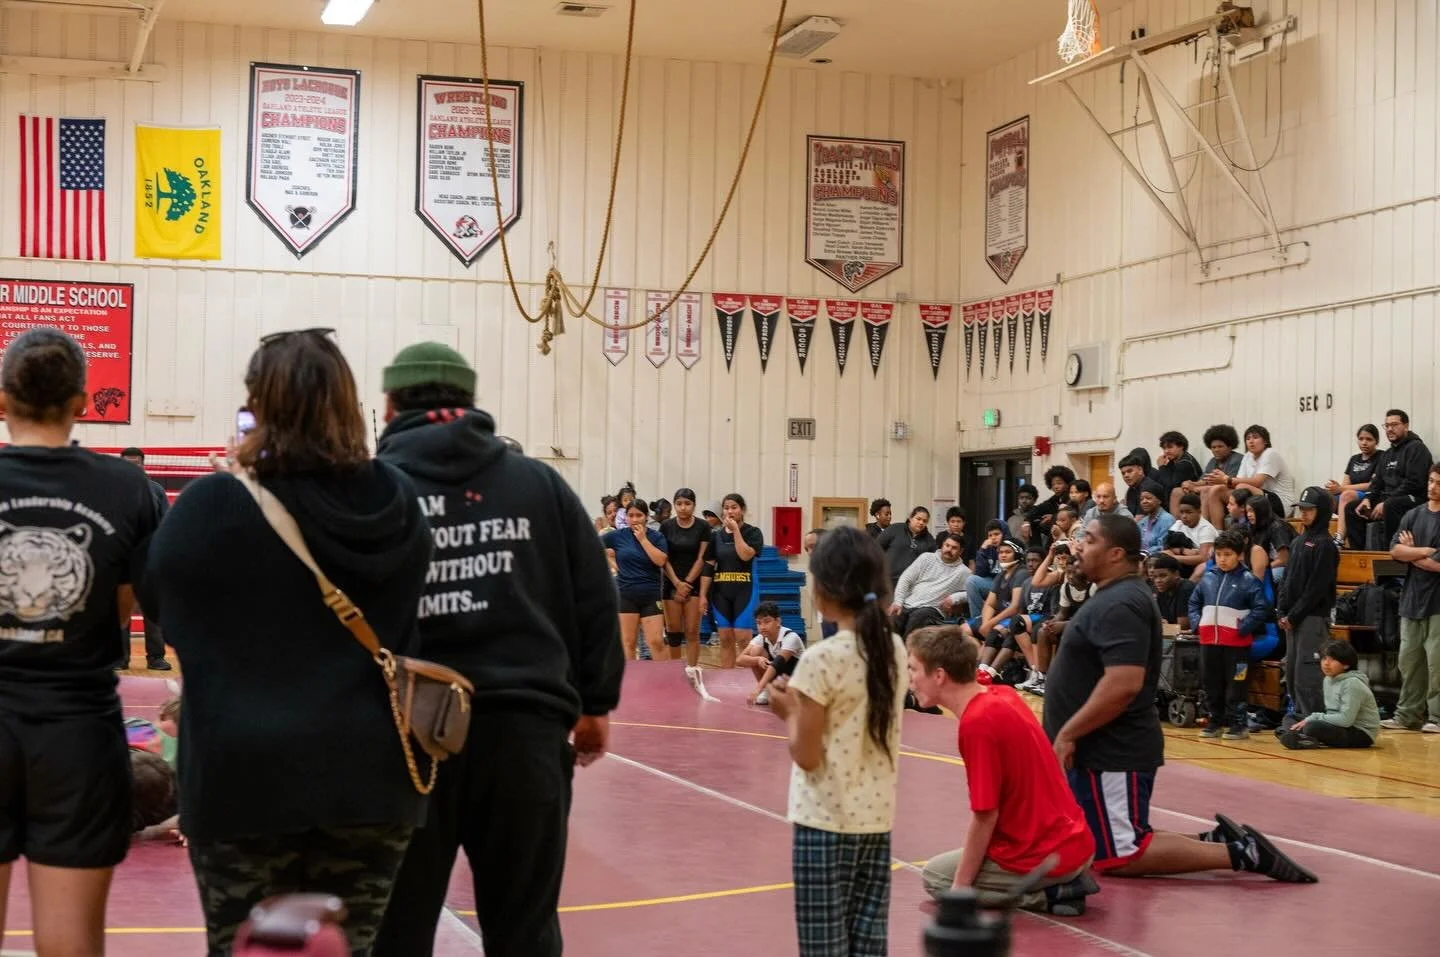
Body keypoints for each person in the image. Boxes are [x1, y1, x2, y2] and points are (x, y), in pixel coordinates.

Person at [140, 329, 434, 955]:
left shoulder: (217, 501)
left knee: (243, 946)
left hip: (243, 777)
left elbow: (167, 608)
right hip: (370, 776)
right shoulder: (398, 500)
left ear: (260, 405)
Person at [369, 342, 622, 957]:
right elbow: (594, 595)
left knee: (393, 932)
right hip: (524, 737)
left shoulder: (369, 490)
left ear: (388, 405)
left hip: (407, 739)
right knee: (524, 929)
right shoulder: (539, 484)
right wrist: (594, 703)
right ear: (472, 402)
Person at [0, 329, 163, 956]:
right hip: (77, 732)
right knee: (69, 945)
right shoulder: (129, 489)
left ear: (4, 398)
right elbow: (125, 611)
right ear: (84, 403)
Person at [1043, 515, 1314, 883]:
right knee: (1109, 841)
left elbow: (1123, 683)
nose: (1078, 547)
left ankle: (1242, 854)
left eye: (1088, 540)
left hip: (1110, 747)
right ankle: (1215, 840)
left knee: (1122, 854)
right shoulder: (1113, 595)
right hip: (1102, 747)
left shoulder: (1121, 603)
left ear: (1115, 553)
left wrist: (1069, 733)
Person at [768, 526, 907, 957]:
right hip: (876, 822)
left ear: (824, 589)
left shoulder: (821, 658)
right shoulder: (893, 649)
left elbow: (807, 756)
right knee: (868, 946)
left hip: (824, 823)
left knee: (824, 948)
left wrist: (788, 711)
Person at [908, 627, 1096, 916]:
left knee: (937, 877)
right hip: (1074, 840)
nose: (910, 680)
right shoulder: (1001, 694)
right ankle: (1053, 883)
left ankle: (1048, 895)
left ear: (939, 675)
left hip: (1046, 856)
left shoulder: (977, 724)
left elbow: (986, 815)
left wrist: (960, 888)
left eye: (913, 669)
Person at [1189, 530, 1272, 740]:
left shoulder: (1249, 580)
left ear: (1239, 555)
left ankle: (1238, 724)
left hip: (1238, 646)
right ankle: (1214, 722)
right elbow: (1193, 602)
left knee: (1237, 684)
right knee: (1211, 683)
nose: (1222, 559)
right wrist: (1197, 624)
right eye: (1219, 554)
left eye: (1227, 554)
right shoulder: (1208, 579)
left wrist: (1243, 628)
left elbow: (1261, 608)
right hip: (1209, 642)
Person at [1276, 487, 1339, 731]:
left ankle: (1313, 721)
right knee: (1291, 670)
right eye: (1301, 509)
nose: (1304, 514)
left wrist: (1294, 615)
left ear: (1321, 511)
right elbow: (1288, 579)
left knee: (1308, 672)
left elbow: (1316, 588)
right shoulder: (1299, 541)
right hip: (1292, 618)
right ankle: (1298, 717)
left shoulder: (1325, 545)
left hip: (1312, 617)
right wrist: (1282, 611)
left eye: (1309, 509)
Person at [1385, 463, 1440, 733]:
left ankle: (1437, 717)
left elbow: (1436, 565)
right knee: (1409, 660)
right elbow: (1395, 552)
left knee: (1436, 662)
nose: (1432, 487)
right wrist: (1424, 551)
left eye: (1438, 483)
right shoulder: (1413, 514)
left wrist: (1412, 552)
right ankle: (1408, 715)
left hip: (1437, 603)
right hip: (1411, 599)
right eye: (1430, 481)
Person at [118, 446, 173, 671]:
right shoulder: (111, 492)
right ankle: (119, 658)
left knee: (152, 610)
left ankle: (156, 657)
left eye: (136, 463)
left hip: (149, 559)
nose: (132, 467)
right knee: (120, 610)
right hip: (121, 558)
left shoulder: (156, 490)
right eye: (127, 463)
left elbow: (166, 524)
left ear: (143, 464)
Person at [700, 493, 764, 669]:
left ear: (742, 510)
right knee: (725, 639)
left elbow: (745, 555)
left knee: (743, 639)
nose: (730, 511)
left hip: (745, 589)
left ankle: (747, 680)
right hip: (720, 591)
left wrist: (736, 531)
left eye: (734, 507)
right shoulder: (716, 536)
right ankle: (727, 680)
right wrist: (703, 595)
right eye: (726, 508)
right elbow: (708, 567)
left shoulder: (753, 533)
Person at [1352, 410, 1433, 550]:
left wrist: (1386, 501)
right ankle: (1359, 554)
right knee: (1352, 507)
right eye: (1387, 425)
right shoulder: (1387, 454)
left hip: (1415, 498)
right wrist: (1368, 498)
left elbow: (1414, 483)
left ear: (1406, 426)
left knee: (1391, 505)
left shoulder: (1417, 448)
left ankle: (1391, 553)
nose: (1390, 429)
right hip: (1390, 499)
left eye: (1394, 424)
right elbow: (1377, 482)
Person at [1279, 641, 1380, 750]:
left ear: (1346, 664)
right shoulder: (1328, 680)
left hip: (1359, 733)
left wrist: (1314, 718)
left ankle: (1298, 736)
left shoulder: (1352, 683)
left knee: (1311, 726)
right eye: (1324, 659)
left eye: (1332, 660)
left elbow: (1346, 720)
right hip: (1339, 726)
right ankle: (1301, 738)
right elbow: (1331, 714)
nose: (1326, 663)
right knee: (1291, 716)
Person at [602, 499, 669, 661]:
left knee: (656, 642)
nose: (634, 519)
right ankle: (629, 682)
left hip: (650, 596)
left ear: (646, 517)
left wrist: (643, 540)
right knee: (628, 643)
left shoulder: (656, 536)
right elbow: (594, 544)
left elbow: (661, 561)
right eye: (630, 515)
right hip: (626, 595)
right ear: (626, 517)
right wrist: (614, 564)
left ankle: (664, 681)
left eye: (638, 515)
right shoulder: (618, 536)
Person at [661, 488, 711, 693]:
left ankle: (692, 671)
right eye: (679, 503)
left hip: (694, 584)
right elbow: (663, 558)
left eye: (687, 503)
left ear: (694, 505)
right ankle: (675, 673)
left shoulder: (703, 527)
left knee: (692, 631)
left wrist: (687, 583)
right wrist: (676, 583)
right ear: (674, 505)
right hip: (670, 582)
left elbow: (702, 558)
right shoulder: (666, 526)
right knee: (673, 631)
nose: (683, 507)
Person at [888, 534, 972, 635]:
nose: (949, 549)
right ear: (942, 546)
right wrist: (898, 601)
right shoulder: (926, 558)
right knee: (893, 618)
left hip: (932, 610)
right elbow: (906, 578)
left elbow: (972, 592)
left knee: (918, 617)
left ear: (961, 551)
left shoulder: (964, 572)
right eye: (947, 545)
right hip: (909, 603)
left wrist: (954, 598)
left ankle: (908, 650)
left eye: (954, 548)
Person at [740, 602, 806, 705]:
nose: (762, 627)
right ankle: (767, 689)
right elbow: (739, 660)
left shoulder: (791, 637)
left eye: (767, 622)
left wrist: (757, 689)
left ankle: (774, 689)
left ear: (778, 621)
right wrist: (757, 659)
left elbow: (777, 664)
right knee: (755, 652)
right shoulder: (761, 638)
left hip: (799, 679)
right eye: (759, 623)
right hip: (782, 677)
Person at [1328, 424, 1380, 548]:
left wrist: (1342, 489)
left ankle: (1339, 538)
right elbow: (1345, 484)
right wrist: (1334, 488)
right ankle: (1320, 538)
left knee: (1346, 495)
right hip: (1350, 494)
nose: (1364, 443)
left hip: (1368, 496)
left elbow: (1372, 485)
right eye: (1361, 439)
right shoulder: (1354, 459)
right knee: (1324, 498)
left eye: (1369, 439)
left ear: (1376, 441)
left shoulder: (1380, 457)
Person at [877, 505, 936, 588]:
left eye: (924, 521)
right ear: (910, 518)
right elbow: (875, 548)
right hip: (888, 581)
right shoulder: (895, 529)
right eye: (918, 519)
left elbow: (934, 562)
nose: (921, 522)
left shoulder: (929, 540)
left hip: (913, 585)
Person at [1148, 554, 1193, 631]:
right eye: (1155, 577)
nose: (1158, 581)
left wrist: (1164, 625)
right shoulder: (1162, 589)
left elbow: (1183, 627)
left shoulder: (1186, 588)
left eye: (1163, 576)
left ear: (1176, 574)